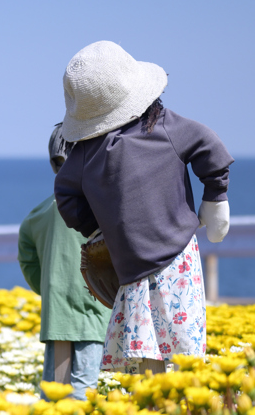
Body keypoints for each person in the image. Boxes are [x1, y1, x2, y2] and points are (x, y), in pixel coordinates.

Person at [54, 40, 233, 375]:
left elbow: (65, 195)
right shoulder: (164, 124)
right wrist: (215, 198)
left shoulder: (84, 153)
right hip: (178, 258)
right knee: (185, 353)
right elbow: (210, 147)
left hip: (131, 266)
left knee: (146, 357)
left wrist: (99, 226)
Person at [19, 123, 110, 400]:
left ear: (54, 163)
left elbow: (28, 258)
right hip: (95, 305)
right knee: (85, 384)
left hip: (57, 309)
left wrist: (47, 287)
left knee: (54, 385)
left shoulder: (39, 213)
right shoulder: (103, 208)